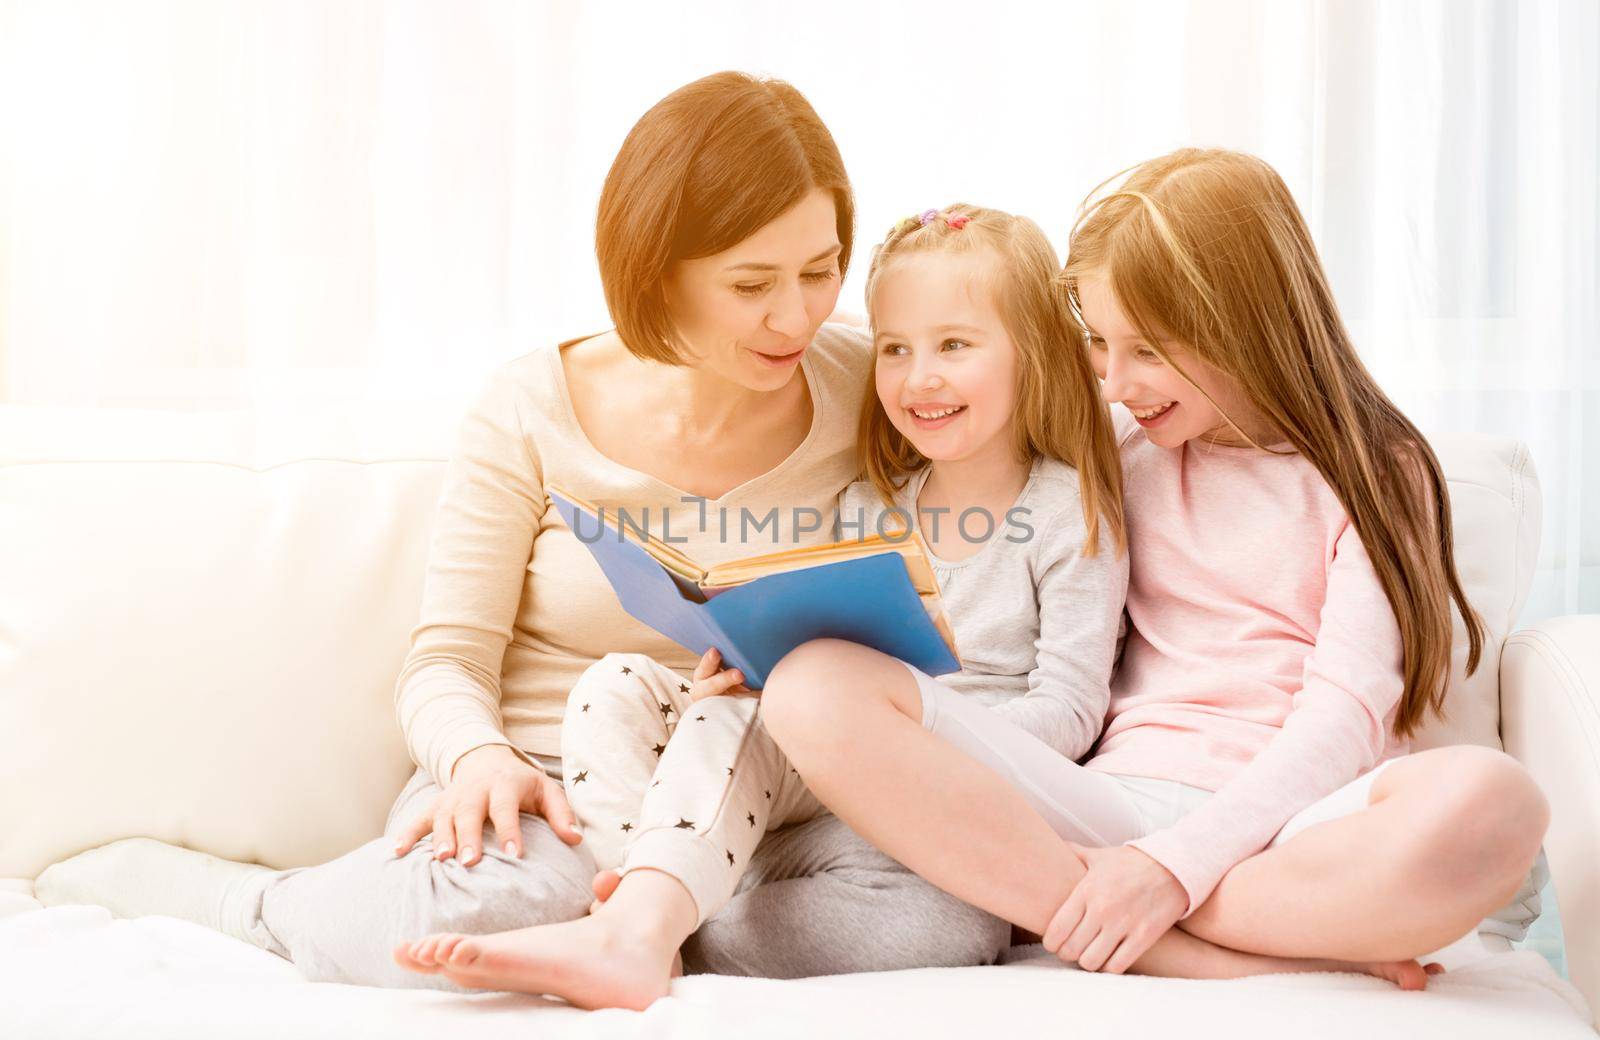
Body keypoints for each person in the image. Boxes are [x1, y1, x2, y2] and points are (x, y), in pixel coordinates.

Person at [31, 72, 1010, 989]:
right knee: (463, 907)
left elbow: (1023, 400)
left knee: (962, 906)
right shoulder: (529, 407)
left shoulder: (874, 379)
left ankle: (643, 924)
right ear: (660, 273)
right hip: (553, 799)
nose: (795, 314)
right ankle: (255, 903)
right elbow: (444, 659)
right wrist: (477, 759)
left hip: (762, 791)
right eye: (751, 284)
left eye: (820, 268)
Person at [754, 149, 1549, 988]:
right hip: (1105, 807)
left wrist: (1173, 869)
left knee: (1497, 804)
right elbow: (948, 368)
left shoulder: (1381, 473)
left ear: (1247, 325)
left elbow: (1341, 718)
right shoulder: (1117, 448)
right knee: (813, 686)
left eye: (1147, 350)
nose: (1113, 381)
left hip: (1289, 825)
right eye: (1098, 343)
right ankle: (1186, 942)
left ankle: (1101, 907)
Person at [394, 203, 1133, 1007]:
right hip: (809, 770)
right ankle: (633, 911)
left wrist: (922, 741)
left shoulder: (1069, 514)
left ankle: (650, 927)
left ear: (1036, 356)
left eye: (954, 346)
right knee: (617, 689)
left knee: (949, 925)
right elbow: (814, 675)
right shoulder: (869, 504)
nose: (918, 377)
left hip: (934, 790)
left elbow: (1068, 706)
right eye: (893, 349)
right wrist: (745, 673)